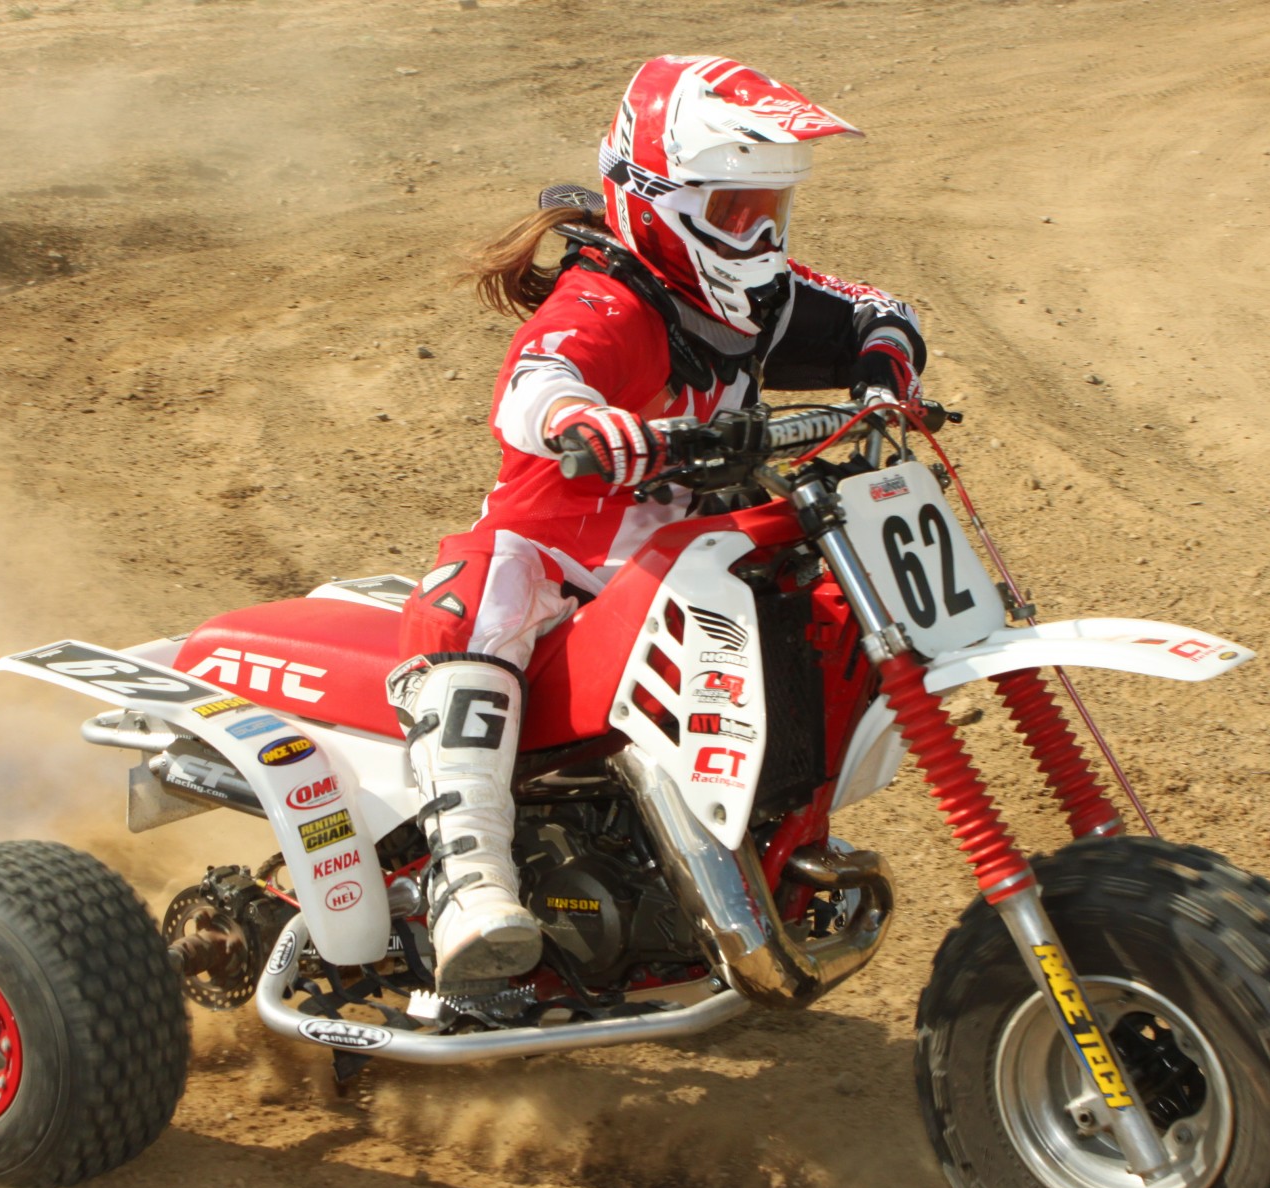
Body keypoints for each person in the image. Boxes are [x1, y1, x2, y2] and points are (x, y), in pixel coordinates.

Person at [386, 54, 926, 990]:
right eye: (734, 211)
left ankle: (760, 850)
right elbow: (536, 381)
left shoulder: (753, 298)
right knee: (483, 602)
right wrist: (581, 419)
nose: (759, 234)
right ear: (658, 200)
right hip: (559, 560)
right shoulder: (607, 302)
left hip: (682, 557)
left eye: (770, 209)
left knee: (813, 603)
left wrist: (881, 382)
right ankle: (470, 885)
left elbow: (879, 313)